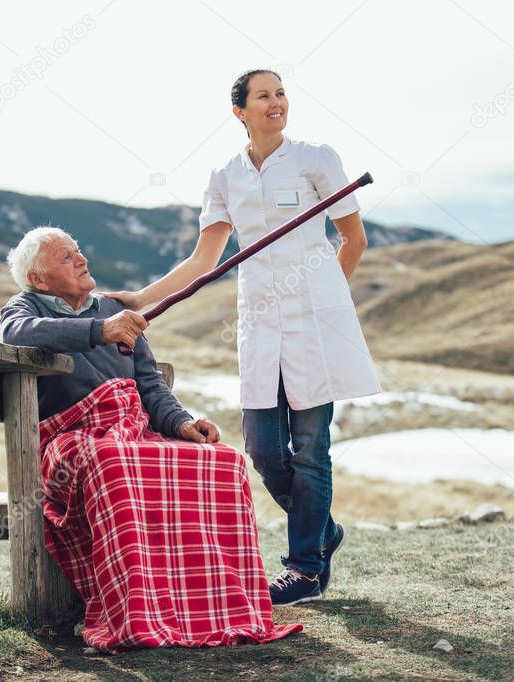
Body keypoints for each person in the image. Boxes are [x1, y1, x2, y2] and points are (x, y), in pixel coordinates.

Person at [103, 70, 381, 607]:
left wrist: (326, 300)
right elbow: (204, 259)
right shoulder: (225, 174)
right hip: (259, 324)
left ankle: (303, 569)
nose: (276, 103)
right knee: (262, 448)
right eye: (264, 96)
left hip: (315, 324)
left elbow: (354, 238)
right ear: (240, 111)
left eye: (281, 94)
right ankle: (322, 532)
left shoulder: (317, 158)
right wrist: (141, 299)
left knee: (310, 449)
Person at [0, 226, 300, 652]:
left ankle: (214, 608)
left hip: (130, 432)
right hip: (71, 439)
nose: (82, 259)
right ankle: (137, 612)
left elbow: (151, 388)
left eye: (78, 250)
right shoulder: (23, 308)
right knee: (115, 462)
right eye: (67, 258)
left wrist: (182, 424)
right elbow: (18, 335)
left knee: (222, 461)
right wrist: (99, 331)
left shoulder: (111, 310)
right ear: (38, 278)